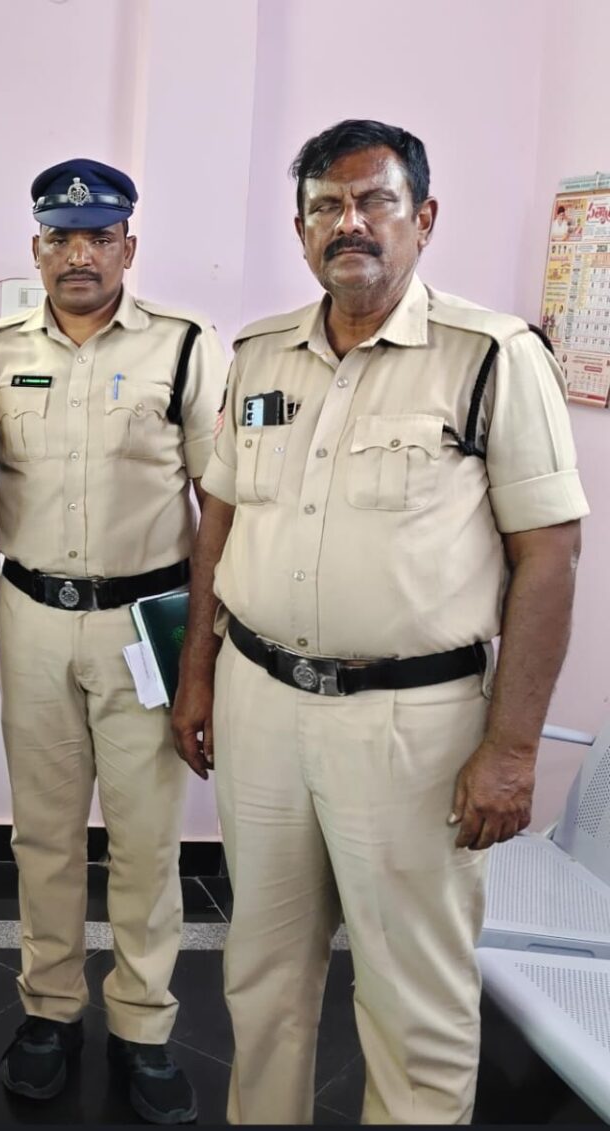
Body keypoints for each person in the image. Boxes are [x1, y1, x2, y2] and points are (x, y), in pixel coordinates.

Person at [172, 119, 588, 1124]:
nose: (348, 223)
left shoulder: (490, 358)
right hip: (261, 701)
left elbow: (549, 557)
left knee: (414, 1001)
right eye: (326, 206)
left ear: (423, 218)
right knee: (261, 976)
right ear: (300, 228)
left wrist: (513, 751)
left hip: (414, 727)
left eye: (374, 201)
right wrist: (197, 673)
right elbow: (219, 520)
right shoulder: (260, 354)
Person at [0, 159, 225, 1121]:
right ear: (36, 249)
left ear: (128, 248)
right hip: (29, 618)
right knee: (45, 833)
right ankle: (49, 1010)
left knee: (147, 839)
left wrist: (205, 652)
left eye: (99, 237)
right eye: (61, 238)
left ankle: (143, 1024)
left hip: (145, 626)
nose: (79, 255)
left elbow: (218, 505)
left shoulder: (184, 348)